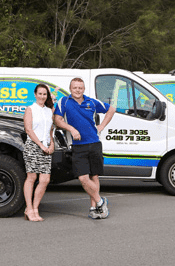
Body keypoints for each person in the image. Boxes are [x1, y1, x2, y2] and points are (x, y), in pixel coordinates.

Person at [53, 77, 115, 219]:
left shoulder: (91, 102)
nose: (77, 90)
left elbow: (111, 109)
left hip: (94, 143)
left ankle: (94, 208)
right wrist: (71, 129)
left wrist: (102, 126)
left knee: (94, 176)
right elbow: (57, 120)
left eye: (80, 88)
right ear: (70, 89)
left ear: (84, 89)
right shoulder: (64, 102)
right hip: (77, 146)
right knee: (83, 178)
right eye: (75, 87)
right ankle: (101, 201)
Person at [22, 84, 55, 222]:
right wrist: (41, 145)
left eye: (44, 94)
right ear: (35, 94)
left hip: (46, 147)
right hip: (33, 146)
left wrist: (52, 144)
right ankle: (29, 209)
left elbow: (50, 131)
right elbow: (28, 130)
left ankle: (35, 208)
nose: (42, 96)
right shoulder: (30, 109)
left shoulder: (49, 111)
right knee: (32, 177)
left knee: (45, 179)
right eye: (40, 94)